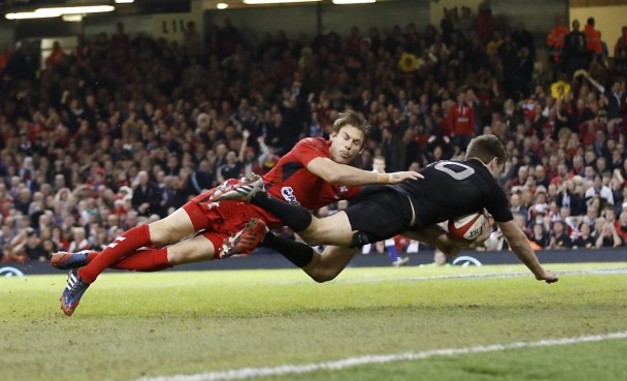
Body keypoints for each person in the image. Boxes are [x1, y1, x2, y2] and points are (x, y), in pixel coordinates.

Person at [56, 109, 425, 316]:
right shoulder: (310, 147)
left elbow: (371, 200)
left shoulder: (351, 183)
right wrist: (388, 175)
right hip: (238, 198)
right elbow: (330, 173)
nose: (349, 146)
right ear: (333, 136)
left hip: (248, 228)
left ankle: (90, 257)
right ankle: (86, 274)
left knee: (167, 258)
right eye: (346, 138)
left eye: (356, 144)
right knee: (164, 232)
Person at [214, 134, 559, 285]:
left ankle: (266, 238)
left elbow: (413, 215)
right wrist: (539, 272)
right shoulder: (488, 186)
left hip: (387, 203)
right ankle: (256, 196)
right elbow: (515, 239)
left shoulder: (444, 165)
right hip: (388, 206)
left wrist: (440, 238)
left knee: (323, 272)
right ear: (494, 162)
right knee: (316, 231)